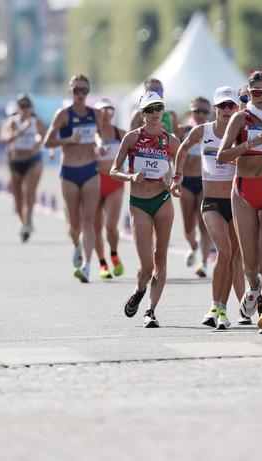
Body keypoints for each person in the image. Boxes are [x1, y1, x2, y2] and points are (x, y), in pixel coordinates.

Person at [217, 70, 262, 334]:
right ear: (249, 93)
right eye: (256, 92)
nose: (261, 97)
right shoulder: (240, 118)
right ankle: (253, 288)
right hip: (244, 190)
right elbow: (222, 156)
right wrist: (250, 144)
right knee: (250, 264)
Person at [173, 86, 245, 330]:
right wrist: (177, 174)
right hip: (212, 201)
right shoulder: (203, 130)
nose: (226, 110)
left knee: (233, 258)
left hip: (236, 202)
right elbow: (182, 148)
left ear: (237, 108)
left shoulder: (241, 133)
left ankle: (222, 309)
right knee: (223, 252)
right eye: (222, 106)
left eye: (230, 105)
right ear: (215, 108)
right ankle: (215, 306)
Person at [111, 91, 181, 328]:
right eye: (149, 110)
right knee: (147, 266)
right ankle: (140, 290)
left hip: (162, 201)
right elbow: (114, 170)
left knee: (160, 261)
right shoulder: (131, 138)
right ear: (142, 114)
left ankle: (150, 311)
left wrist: (172, 185)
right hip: (139, 204)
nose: (154, 114)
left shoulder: (171, 141)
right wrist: (131, 176)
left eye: (158, 108)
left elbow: (176, 175)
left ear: (163, 110)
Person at [43, 74, 101, 282]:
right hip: (69, 172)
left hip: (90, 171)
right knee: (74, 224)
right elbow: (47, 142)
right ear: (70, 91)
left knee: (89, 219)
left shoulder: (95, 114)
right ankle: (76, 245)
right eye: (76, 90)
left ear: (88, 92)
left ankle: (87, 265)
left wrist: (101, 146)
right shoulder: (63, 114)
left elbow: (103, 136)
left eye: (84, 90)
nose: (80, 94)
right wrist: (68, 139)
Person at [0, 93, 45, 242]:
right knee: (18, 198)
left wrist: (37, 143)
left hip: (32, 161)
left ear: (31, 107)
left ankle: (28, 221)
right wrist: (20, 131)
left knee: (28, 191)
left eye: (27, 106)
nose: (25, 109)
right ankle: (22, 222)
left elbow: (42, 136)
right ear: (18, 108)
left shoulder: (36, 122)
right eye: (22, 106)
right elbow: (4, 139)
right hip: (15, 162)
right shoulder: (11, 123)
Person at [177, 96, 212, 277]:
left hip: (205, 182)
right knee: (188, 228)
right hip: (187, 181)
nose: (200, 114)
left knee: (203, 223)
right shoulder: (183, 130)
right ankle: (193, 245)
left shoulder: (211, 130)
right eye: (196, 111)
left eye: (204, 111)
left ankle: (204, 263)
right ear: (190, 111)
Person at [93, 98, 127, 279]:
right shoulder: (91, 134)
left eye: (109, 111)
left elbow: (134, 148)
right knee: (96, 226)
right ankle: (102, 264)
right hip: (95, 182)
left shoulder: (119, 133)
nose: (105, 115)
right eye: (102, 111)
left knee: (111, 226)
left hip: (114, 182)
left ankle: (113, 253)